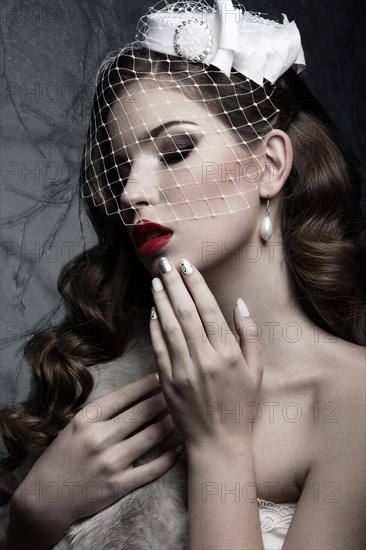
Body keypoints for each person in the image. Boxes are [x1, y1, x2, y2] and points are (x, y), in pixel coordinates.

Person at [1, 0, 365, 549]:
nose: (130, 193)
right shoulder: (99, 377)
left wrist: (220, 445)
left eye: (174, 152)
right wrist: (31, 517)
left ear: (269, 164)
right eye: (120, 167)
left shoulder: (354, 400)